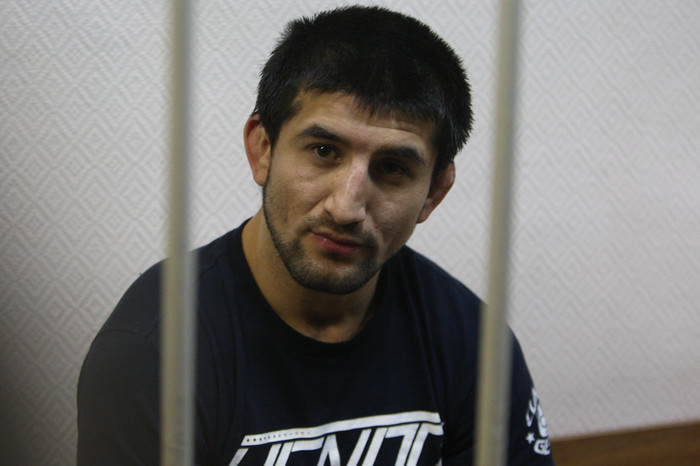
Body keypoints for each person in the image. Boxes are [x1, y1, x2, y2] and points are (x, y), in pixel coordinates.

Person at [77, 6, 553, 465]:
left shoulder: (473, 345)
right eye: (324, 151)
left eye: (392, 168)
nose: (346, 208)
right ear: (263, 149)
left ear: (433, 192)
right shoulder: (152, 353)